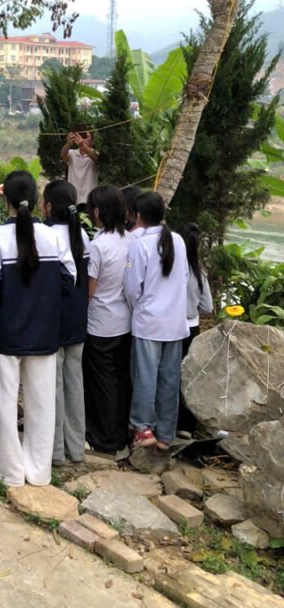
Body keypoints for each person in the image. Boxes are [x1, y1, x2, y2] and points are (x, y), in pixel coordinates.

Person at [0, 171, 72, 488]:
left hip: (5, 333)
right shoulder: (54, 238)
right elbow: (68, 281)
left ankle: (10, 471)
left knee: (4, 404)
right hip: (45, 333)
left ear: (6, 200)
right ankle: (39, 471)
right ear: (38, 199)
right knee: (42, 404)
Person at [123, 191, 190, 451]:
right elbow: (184, 278)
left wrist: (138, 309)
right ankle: (165, 433)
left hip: (148, 322)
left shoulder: (139, 245)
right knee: (169, 379)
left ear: (138, 216)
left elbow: (131, 288)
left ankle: (142, 428)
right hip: (175, 322)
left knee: (145, 377)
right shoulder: (178, 241)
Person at [82, 185, 132, 458]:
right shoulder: (131, 241)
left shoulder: (99, 246)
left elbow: (91, 288)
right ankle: (120, 433)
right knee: (120, 379)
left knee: (101, 383)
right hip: (126, 321)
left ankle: (104, 437)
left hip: (101, 323)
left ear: (98, 212)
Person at [42, 180, 90, 466]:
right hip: (78, 319)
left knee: (54, 385)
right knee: (75, 383)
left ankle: (56, 451)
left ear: (48, 206)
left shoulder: (46, 235)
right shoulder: (81, 234)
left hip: (53, 320)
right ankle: (77, 447)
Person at [177, 223, 213, 437]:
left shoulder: (171, 269)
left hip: (171, 327)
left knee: (169, 374)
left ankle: (167, 421)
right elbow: (208, 306)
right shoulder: (199, 272)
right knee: (187, 376)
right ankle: (187, 426)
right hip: (192, 328)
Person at [60, 125, 98, 209]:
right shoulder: (72, 153)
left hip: (90, 200)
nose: (82, 139)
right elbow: (63, 155)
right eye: (81, 136)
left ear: (93, 141)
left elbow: (95, 157)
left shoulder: (95, 153)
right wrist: (68, 143)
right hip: (73, 199)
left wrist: (83, 146)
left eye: (86, 137)